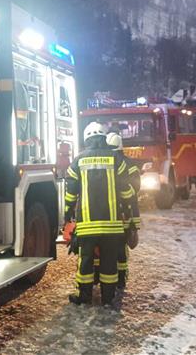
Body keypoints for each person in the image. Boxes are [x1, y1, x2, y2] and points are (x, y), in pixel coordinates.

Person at [64, 123, 136, 306]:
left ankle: (84, 296)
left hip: (87, 226)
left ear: (86, 139)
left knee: (86, 261)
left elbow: (70, 192)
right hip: (112, 226)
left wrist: (67, 215)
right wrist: (129, 211)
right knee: (109, 262)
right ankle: (108, 298)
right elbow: (126, 190)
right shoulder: (116, 159)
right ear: (104, 138)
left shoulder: (79, 160)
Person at [103, 132, 141, 290]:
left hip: (107, 212)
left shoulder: (105, 161)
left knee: (106, 245)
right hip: (126, 212)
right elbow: (136, 188)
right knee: (121, 246)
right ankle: (121, 278)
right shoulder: (129, 164)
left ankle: (104, 277)